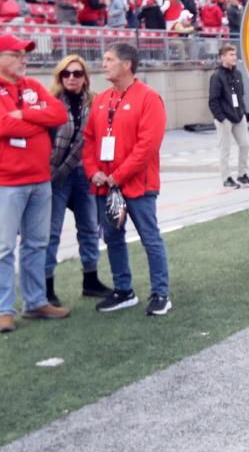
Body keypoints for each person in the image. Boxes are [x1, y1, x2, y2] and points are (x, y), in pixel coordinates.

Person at [82, 43, 172, 314]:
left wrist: (117, 176)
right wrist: (92, 171)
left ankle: (161, 294)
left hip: (137, 186)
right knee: (113, 238)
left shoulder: (149, 98)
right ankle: (124, 290)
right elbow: (88, 141)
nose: (103, 63)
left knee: (150, 237)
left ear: (127, 64)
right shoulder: (100, 99)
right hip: (106, 187)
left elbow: (147, 146)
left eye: (109, 59)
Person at [0, 34, 70, 333]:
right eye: (16, 54)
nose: (23, 58)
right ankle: (4, 309)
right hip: (8, 182)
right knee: (3, 248)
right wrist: (36, 123)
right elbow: (3, 125)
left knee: (37, 244)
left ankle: (35, 301)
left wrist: (25, 114)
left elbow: (59, 114)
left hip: (40, 180)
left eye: (24, 54)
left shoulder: (32, 87)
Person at [45, 54, 112, 306]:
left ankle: (91, 281)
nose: (71, 78)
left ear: (85, 77)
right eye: (66, 73)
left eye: (77, 73)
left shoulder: (95, 102)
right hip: (55, 175)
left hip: (85, 173)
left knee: (89, 228)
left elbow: (100, 136)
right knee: (50, 233)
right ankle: (47, 289)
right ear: (60, 76)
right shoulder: (50, 102)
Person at [209, 43, 249, 189]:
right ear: (222, 57)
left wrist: (242, 112)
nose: (234, 57)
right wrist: (221, 118)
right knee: (225, 149)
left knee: (245, 144)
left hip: (238, 115)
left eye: (235, 54)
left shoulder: (238, 74)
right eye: (231, 55)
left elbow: (241, 95)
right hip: (225, 118)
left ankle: (242, 174)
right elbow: (213, 100)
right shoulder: (216, 76)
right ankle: (226, 177)